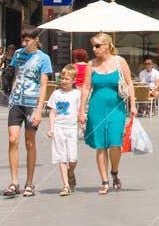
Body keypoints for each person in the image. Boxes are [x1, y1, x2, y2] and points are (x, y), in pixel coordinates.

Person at [78, 32, 135, 193]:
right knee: (100, 145)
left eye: (97, 46)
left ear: (108, 45)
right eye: (93, 46)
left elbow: (130, 84)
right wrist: (81, 110)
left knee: (115, 143)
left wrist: (133, 105)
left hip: (116, 108)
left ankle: (114, 172)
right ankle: (104, 181)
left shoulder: (119, 62)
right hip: (96, 109)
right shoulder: (91, 64)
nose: (94, 49)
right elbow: (85, 87)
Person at [3, 28, 53, 198]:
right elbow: (16, 74)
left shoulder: (44, 58)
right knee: (12, 139)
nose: (24, 44)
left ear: (35, 40)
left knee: (29, 142)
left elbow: (44, 85)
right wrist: (11, 95)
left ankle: (29, 182)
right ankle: (14, 181)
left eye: (27, 41)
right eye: (22, 40)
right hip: (16, 101)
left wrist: (40, 110)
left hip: (32, 104)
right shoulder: (18, 54)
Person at [46, 66, 82, 196]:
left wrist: (82, 123)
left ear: (73, 80)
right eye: (62, 78)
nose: (64, 81)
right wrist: (51, 128)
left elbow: (80, 111)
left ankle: (70, 172)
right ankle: (66, 185)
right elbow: (52, 112)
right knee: (61, 157)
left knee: (73, 158)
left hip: (72, 128)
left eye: (67, 78)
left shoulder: (77, 94)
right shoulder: (56, 94)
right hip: (58, 128)